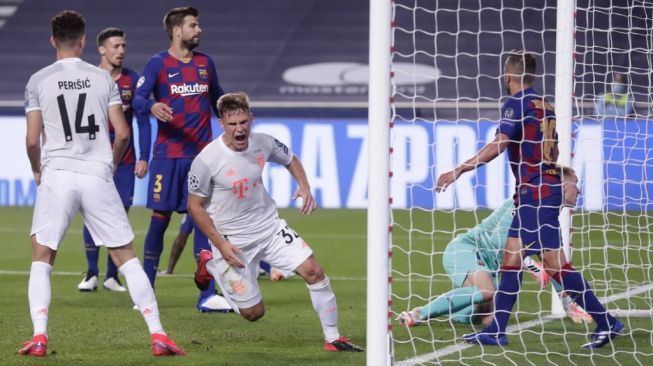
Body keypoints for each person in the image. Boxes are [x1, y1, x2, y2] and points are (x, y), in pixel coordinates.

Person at [19, 10, 184, 357]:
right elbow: (122, 132)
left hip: (58, 174)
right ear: (82, 41)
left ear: (52, 40)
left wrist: (37, 169)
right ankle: (158, 334)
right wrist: (108, 164)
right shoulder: (102, 79)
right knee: (126, 257)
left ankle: (39, 336)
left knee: (42, 257)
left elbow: (33, 141)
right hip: (96, 173)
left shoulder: (38, 80)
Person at [436, 50, 623, 349]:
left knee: (554, 264)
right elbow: (555, 153)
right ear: (532, 76)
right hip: (534, 192)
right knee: (512, 259)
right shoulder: (544, 106)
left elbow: (500, 143)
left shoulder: (517, 103)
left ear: (507, 76)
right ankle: (497, 329)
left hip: (536, 194)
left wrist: (459, 169)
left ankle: (606, 322)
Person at [188, 92, 363, 352]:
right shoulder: (207, 160)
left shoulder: (264, 143)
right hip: (232, 242)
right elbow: (194, 206)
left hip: (270, 229)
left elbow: (290, 159)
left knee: (314, 271)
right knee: (253, 313)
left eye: (243, 122)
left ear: (251, 120)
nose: (239, 129)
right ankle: (211, 264)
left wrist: (304, 186)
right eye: (233, 124)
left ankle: (333, 338)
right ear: (222, 124)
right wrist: (220, 245)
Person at [397, 168, 592, 327]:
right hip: (468, 249)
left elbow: (556, 266)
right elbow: (500, 241)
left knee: (489, 317)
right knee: (487, 290)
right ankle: (418, 314)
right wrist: (532, 265)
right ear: (563, 186)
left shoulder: (549, 217)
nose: (579, 191)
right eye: (576, 184)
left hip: (493, 267)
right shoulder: (525, 204)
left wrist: (569, 304)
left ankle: (456, 312)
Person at [133, 6, 230, 312]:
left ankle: (207, 294)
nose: (198, 30)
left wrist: (236, 116)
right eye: (193, 25)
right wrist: (151, 106)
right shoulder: (157, 64)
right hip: (168, 157)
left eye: (198, 25)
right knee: (159, 222)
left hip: (201, 158)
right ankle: (146, 290)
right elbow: (136, 98)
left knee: (203, 220)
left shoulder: (206, 64)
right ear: (177, 30)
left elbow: (219, 101)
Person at [77, 27, 151, 293]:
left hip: (126, 160)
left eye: (123, 46)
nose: (121, 51)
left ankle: (111, 276)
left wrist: (145, 157)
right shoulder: (87, 78)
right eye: (115, 46)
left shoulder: (134, 80)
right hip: (94, 158)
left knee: (119, 213)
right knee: (92, 211)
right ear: (101, 49)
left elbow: (142, 121)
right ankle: (91, 273)